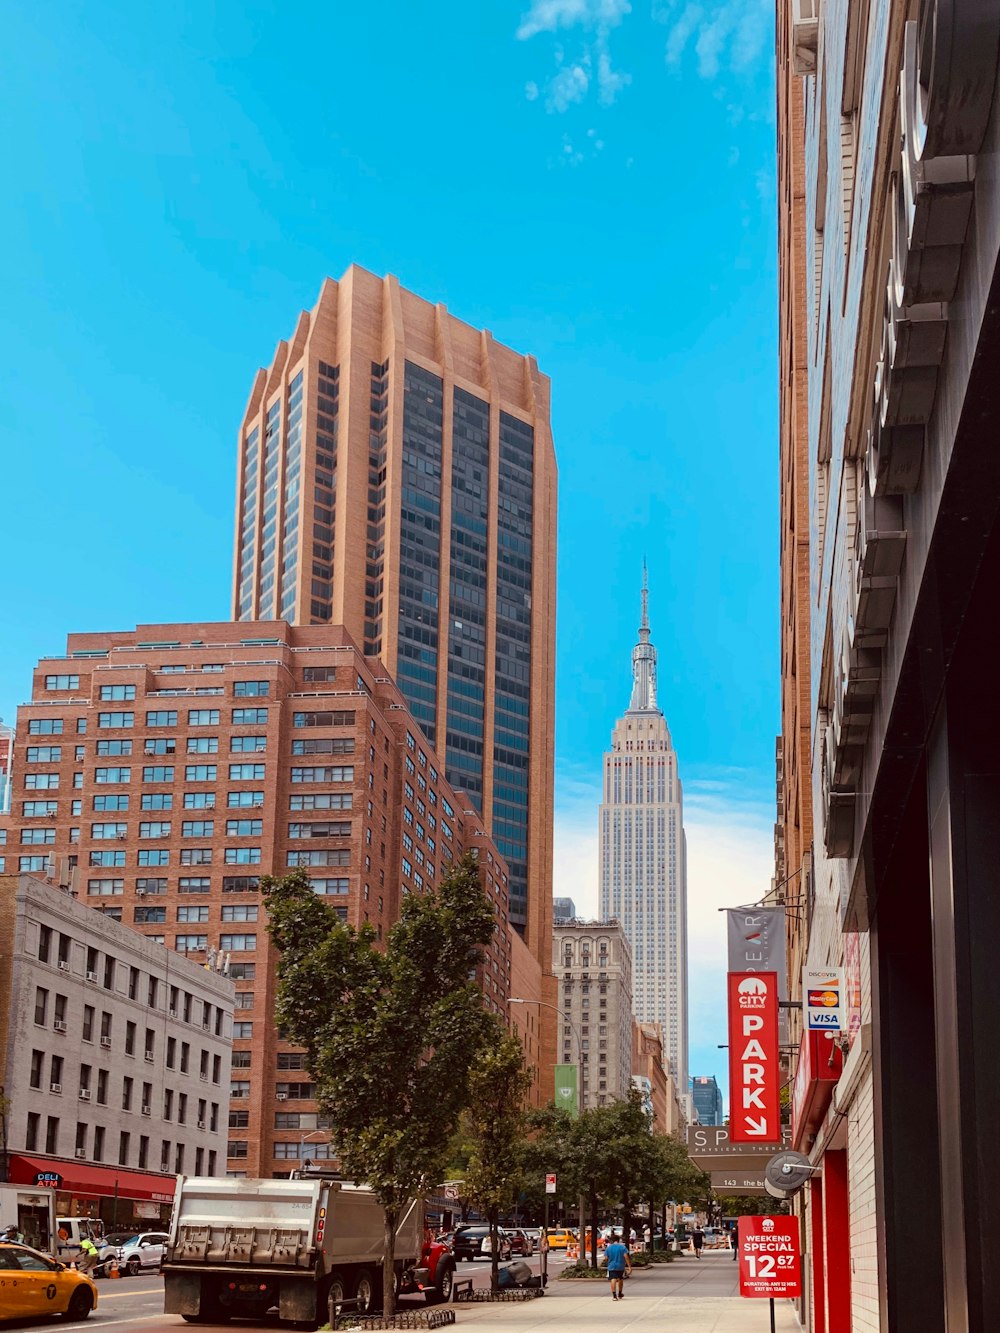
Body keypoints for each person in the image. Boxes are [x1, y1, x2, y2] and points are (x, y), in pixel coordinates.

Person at [604, 1231, 631, 1300]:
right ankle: (620, 1293)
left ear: (611, 1241)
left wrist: (608, 1262)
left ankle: (614, 1295)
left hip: (612, 1266)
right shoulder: (622, 1247)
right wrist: (629, 1267)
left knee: (613, 1279)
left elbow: (606, 1258)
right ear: (618, 1240)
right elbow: (626, 1257)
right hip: (621, 1265)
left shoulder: (608, 1248)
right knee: (620, 1279)